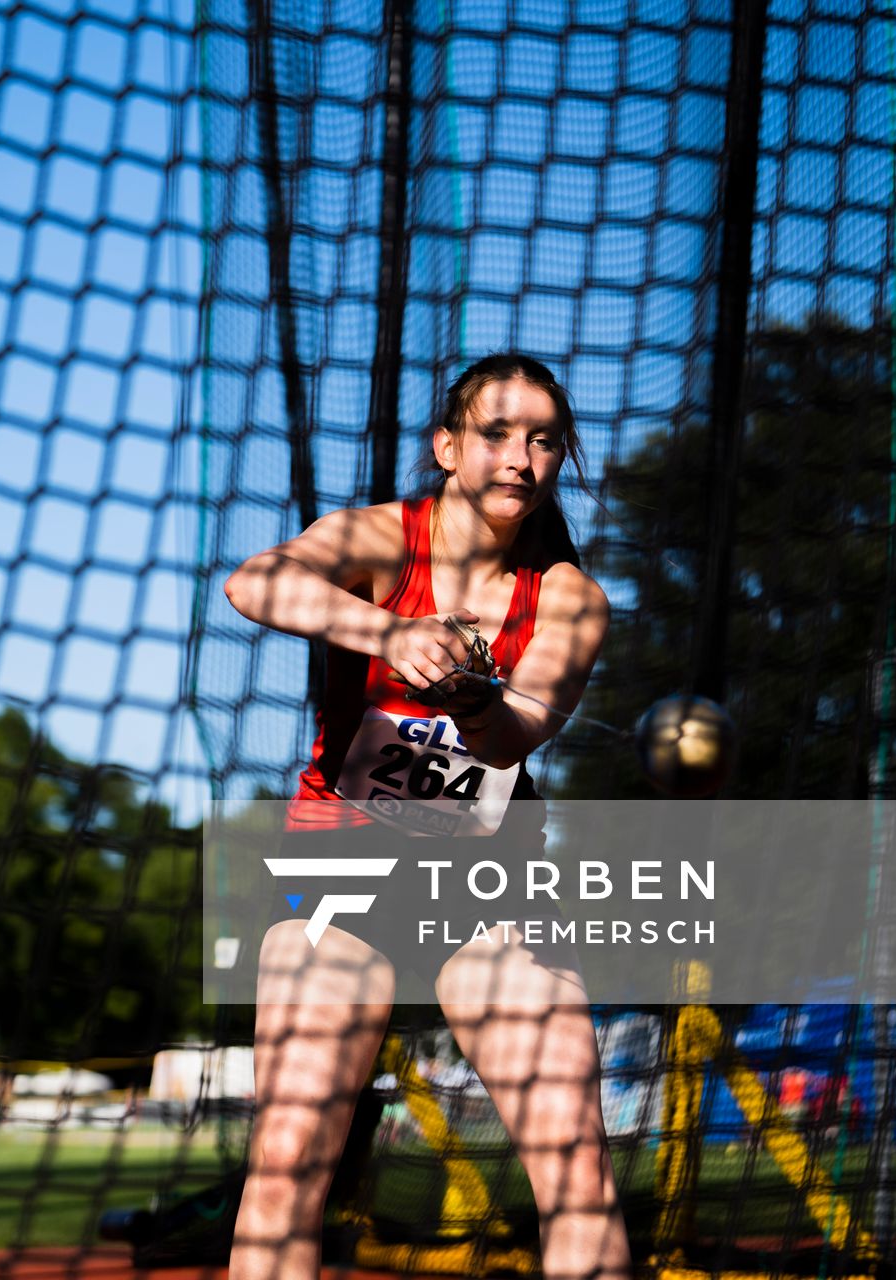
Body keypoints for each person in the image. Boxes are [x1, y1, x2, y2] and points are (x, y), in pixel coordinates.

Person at [221, 354, 631, 1280]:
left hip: (488, 891)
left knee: (576, 1168)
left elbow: (512, 738)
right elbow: (253, 583)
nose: (520, 458)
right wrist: (389, 633)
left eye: (543, 441)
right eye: (495, 434)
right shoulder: (379, 540)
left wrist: (475, 699)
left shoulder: (568, 598)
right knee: (287, 1167)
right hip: (339, 876)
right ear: (449, 447)